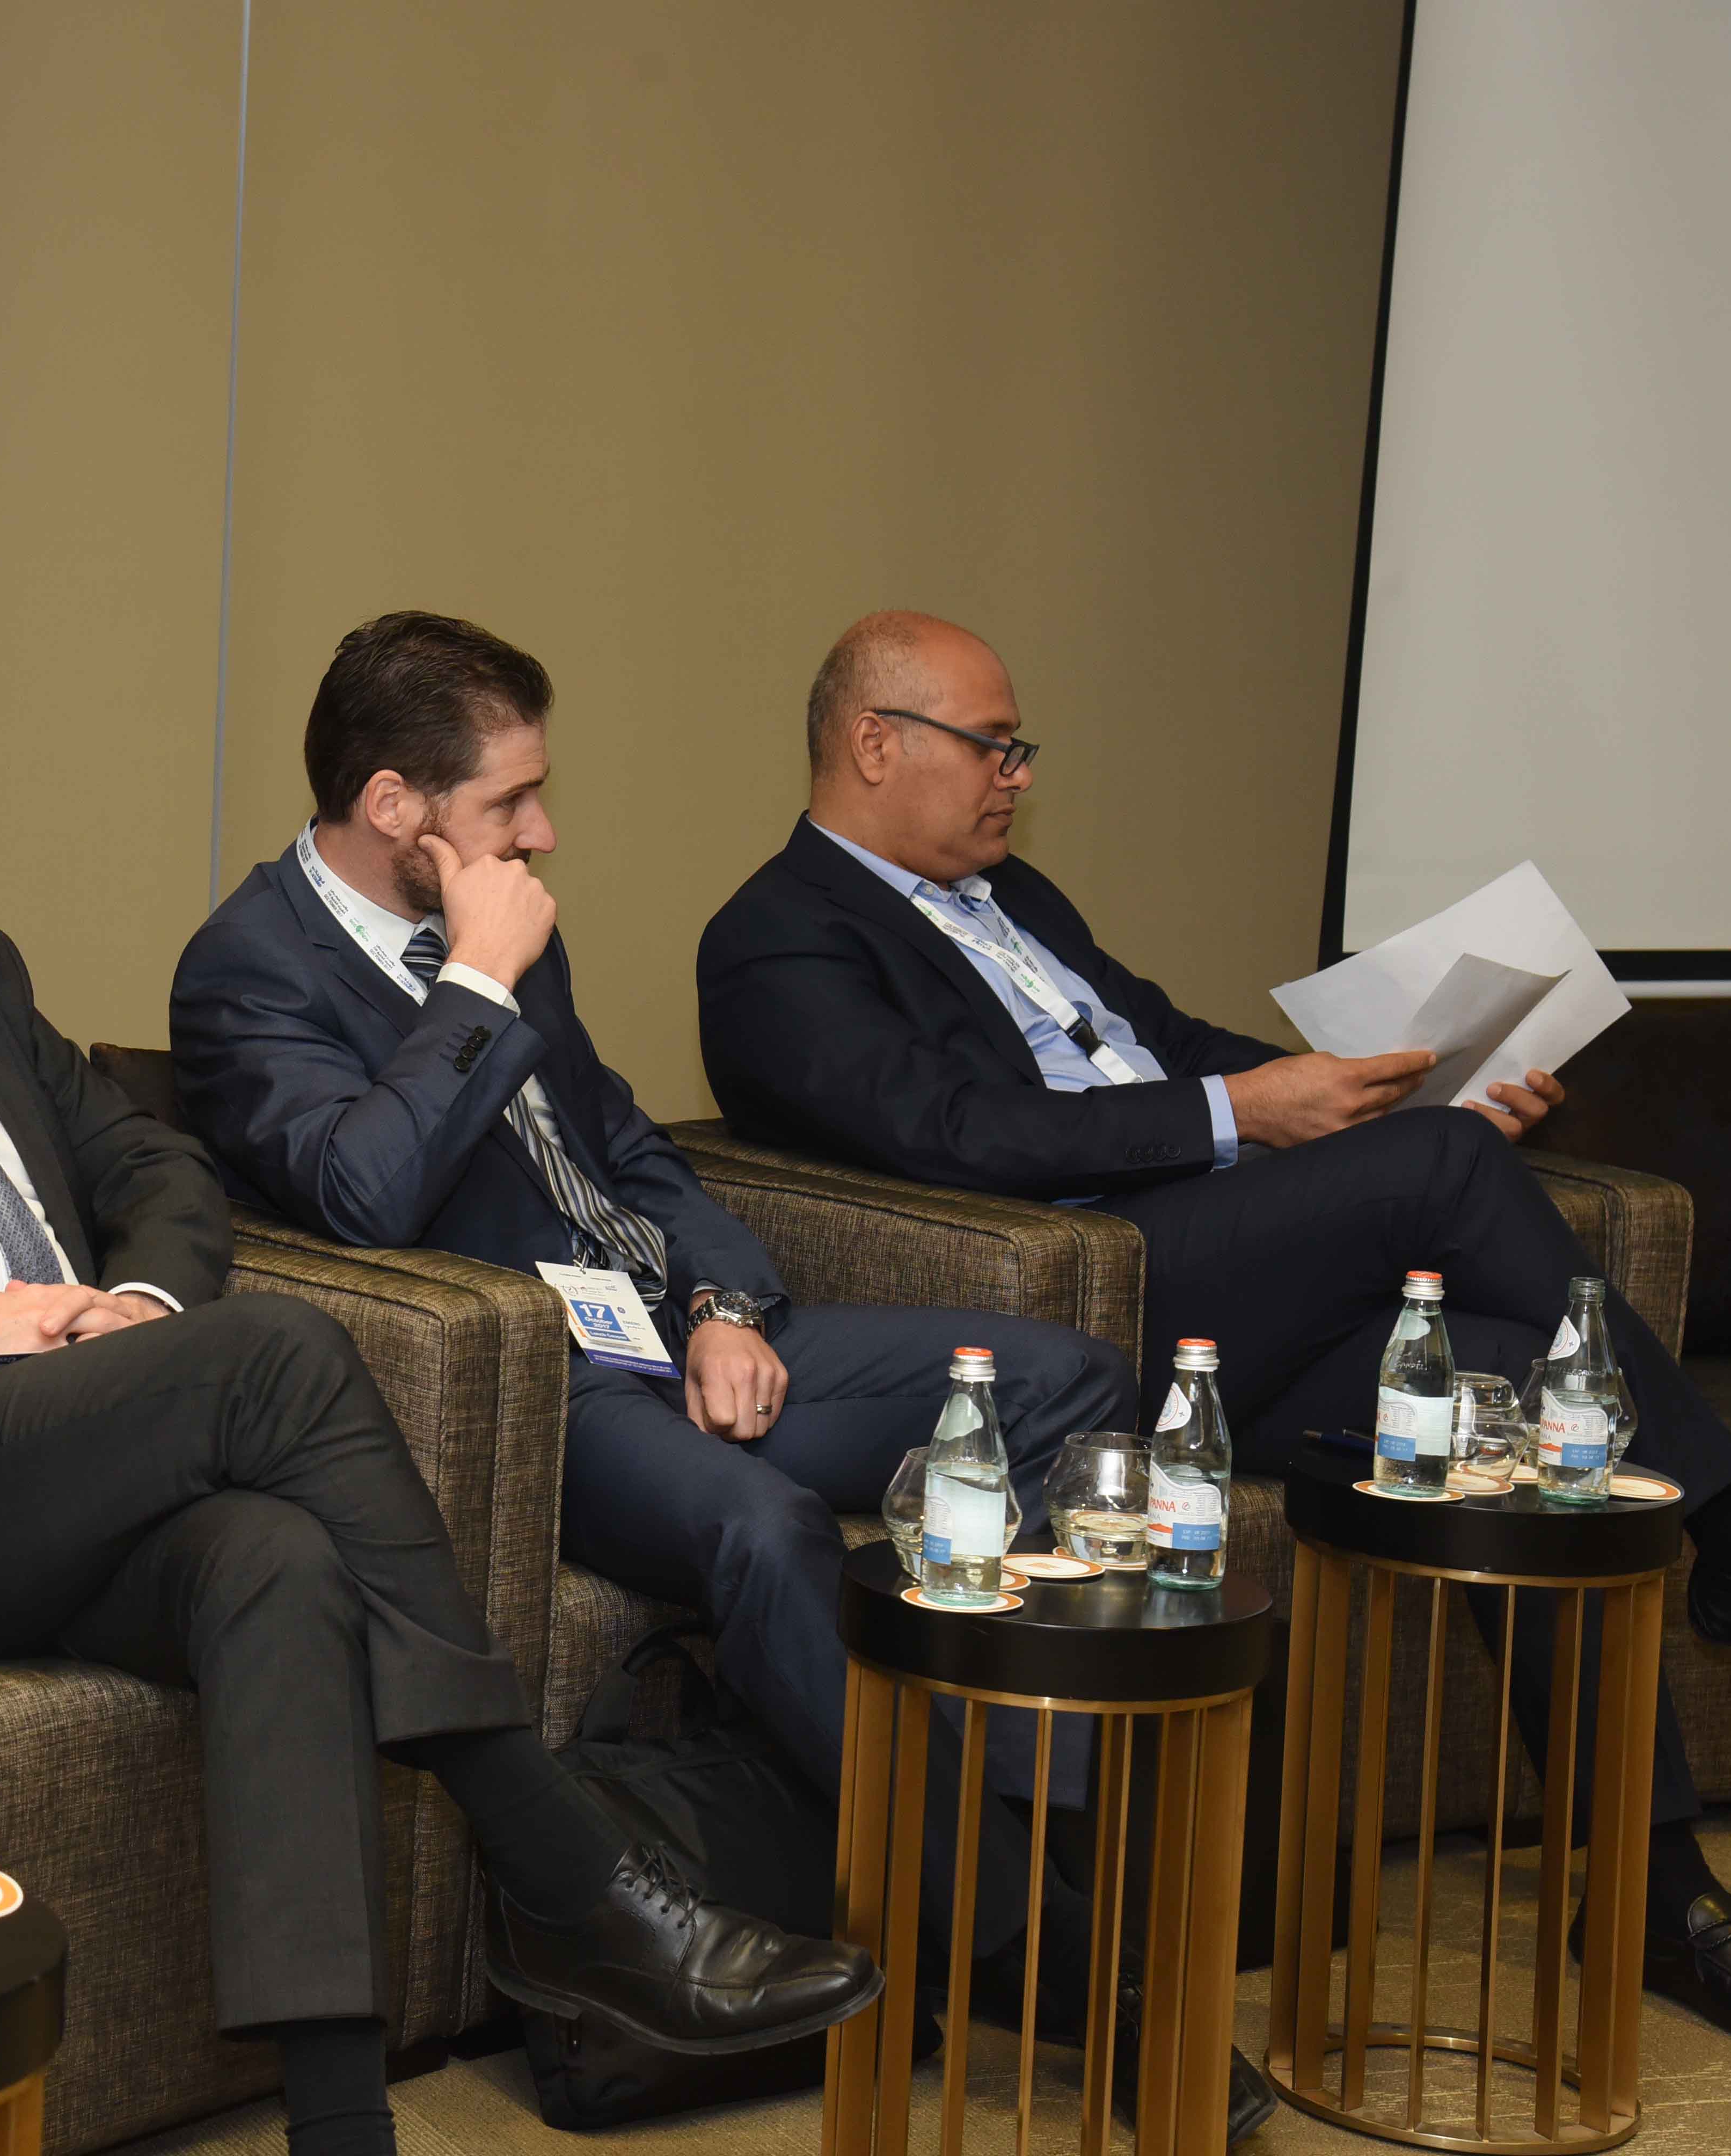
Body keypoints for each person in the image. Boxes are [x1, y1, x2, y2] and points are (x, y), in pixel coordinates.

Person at [0, 637, 874, 2156]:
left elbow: (151, 1163)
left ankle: (342, 2127)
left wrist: (144, 1310)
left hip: (89, 1433)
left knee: (275, 1564)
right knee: (277, 1350)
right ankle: (566, 1871)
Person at [698, 606, 1731, 2057]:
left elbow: (1167, 1043)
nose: (1017, 777)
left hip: (1234, 1291)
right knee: (1445, 1176)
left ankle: (1656, 1889)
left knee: (1507, 1392)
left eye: (1023, 751)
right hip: (1090, 1309)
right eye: (993, 747)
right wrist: (1264, 1120)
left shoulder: (1015, 897)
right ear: (874, 744)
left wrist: (1372, 1094)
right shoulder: (777, 939)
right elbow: (949, 1131)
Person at [169, 610, 1272, 2144]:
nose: (542, 833)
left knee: (1067, 1385)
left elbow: (625, 1147)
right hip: (540, 1391)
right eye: (510, 801)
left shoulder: (510, 921)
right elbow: (360, 1195)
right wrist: (476, 984)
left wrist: (723, 1303)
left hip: (675, 1335)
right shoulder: (250, 970)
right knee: (766, 1530)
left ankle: (1021, 1839)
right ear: (393, 805)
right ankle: (1058, 1957)